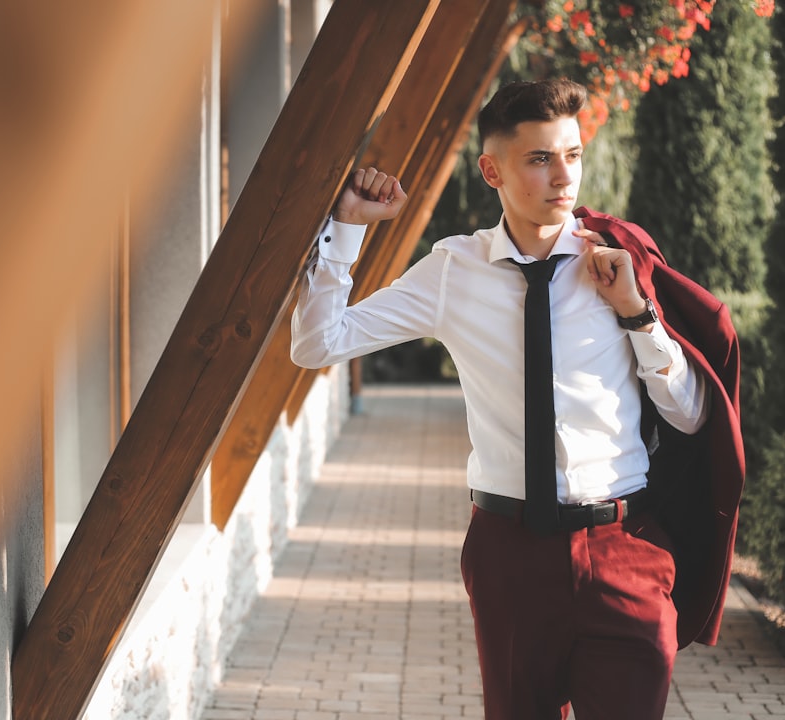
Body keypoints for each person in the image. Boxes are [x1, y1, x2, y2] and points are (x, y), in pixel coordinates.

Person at [290, 78, 743, 720]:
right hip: (509, 555)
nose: (564, 177)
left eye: (573, 155)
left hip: (626, 552)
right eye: (540, 159)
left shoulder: (618, 262)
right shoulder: (453, 270)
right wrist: (346, 229)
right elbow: (316, 343)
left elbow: (694, 415)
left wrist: (638, 316)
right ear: (491, 169)